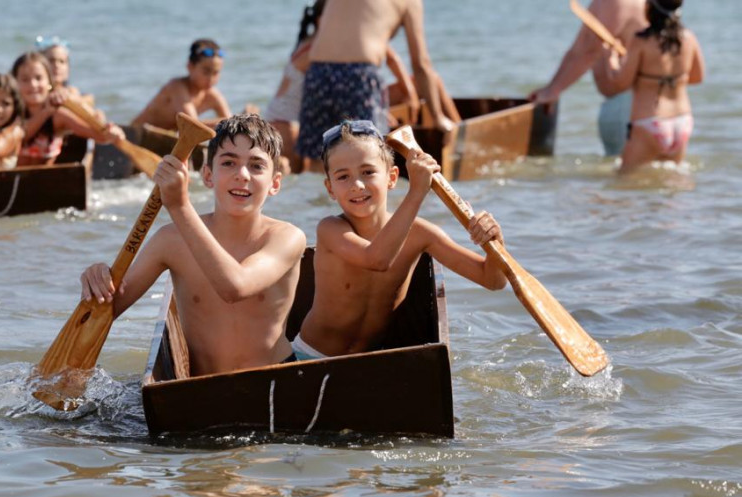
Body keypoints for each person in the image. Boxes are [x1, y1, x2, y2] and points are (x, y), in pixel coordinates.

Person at [80, 114, 307, 375]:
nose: (242, 175)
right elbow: (109, 309)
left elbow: (235, 288)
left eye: (256, 166)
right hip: (202, 389)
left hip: (275, 380)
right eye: (229, 162)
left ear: (274, 183)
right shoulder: (170, 240)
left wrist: (179, 206)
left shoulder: (287, 237)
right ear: (208, 176)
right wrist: (96, 282)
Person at [293, 120, 506, 360]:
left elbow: (492, 281)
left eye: (368, 172)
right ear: (330, 188)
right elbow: (376, 258)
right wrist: (416, 192)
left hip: (369, 362)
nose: (357, 185)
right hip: (311, 357)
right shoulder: (331, 229)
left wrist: (494, 243)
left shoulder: (421, 234)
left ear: (392, 177)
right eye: (343, 177)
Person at [265, 0, 423, 173]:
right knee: (299, 170)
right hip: (286, 124)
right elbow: (390, 57)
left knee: (312, 170)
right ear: (322, 20)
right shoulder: (319, 46)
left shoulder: (312, 45)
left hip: (284, 118)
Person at [296, 0, 454, 172]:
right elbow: (421, 65)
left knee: (318, 158)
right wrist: (438, 118)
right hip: (358, 74)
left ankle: (321, 198)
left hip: (318, 72)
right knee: (370, 158)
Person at [593, 0, 704, 172]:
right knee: (673, 184)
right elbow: (697, 77)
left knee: (623, 182)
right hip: (682, 121)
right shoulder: (688, 38)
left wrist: (611, 59)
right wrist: (667, 77)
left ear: (649, 8)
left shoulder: (641, 41)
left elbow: (620, 82)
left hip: (650, 121)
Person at [528, 0, 647, 156]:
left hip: (628, 106)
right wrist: (552, 88)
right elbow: (580, 50)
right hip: (646, 103)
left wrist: (553, 90)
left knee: (627, 176)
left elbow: (588, 50)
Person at [10, 51, 124, 166]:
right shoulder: (9, 112)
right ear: (15, 82)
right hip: (10, 179)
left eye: (39, 78)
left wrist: (110, 133)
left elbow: (97, 136)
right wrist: (45, 113)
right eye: (25, 80)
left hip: (44, 179)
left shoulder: (58, 115)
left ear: (49, 82)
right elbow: (21, 136)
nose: (33, 85)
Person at [130, 39, 232, 131]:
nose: (211, 78)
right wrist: (228, 122)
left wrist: (244, 119)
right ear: (190, 67)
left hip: (163, 139)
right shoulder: (176, 87)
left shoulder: (213, 95)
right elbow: (193, 126)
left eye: (216, 73)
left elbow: (231, 122)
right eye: (206, 72)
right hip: (135, 135)